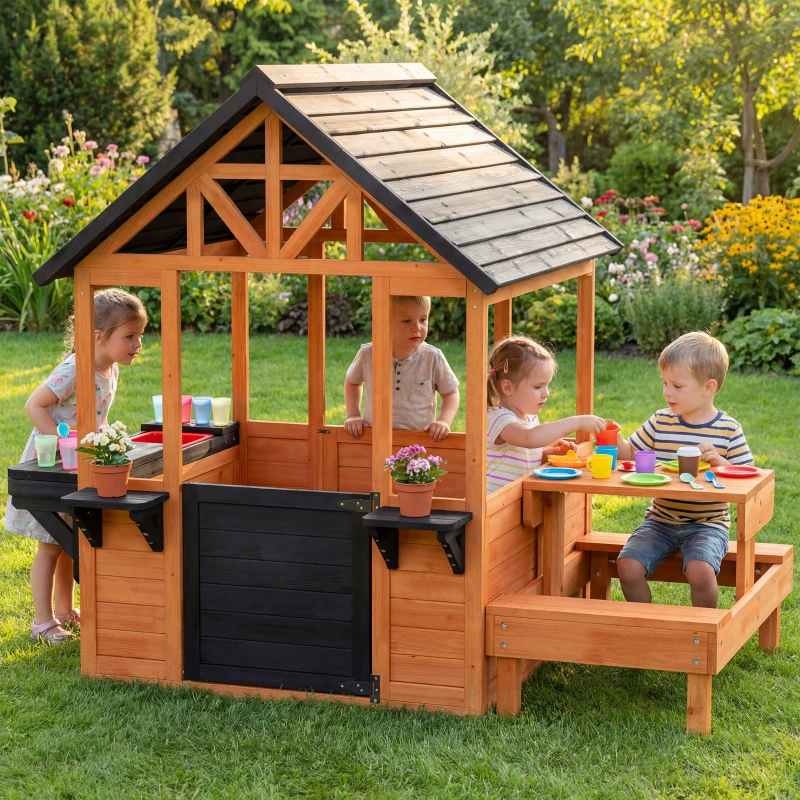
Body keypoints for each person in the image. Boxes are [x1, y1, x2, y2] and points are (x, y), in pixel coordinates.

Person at [4, 289, 147, 644]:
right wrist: (66, 442)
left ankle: (66, 611)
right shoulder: (75, 368)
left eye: (139, 336)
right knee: (50, 543)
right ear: (99, 337)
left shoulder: (109, 369)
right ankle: (42, 621)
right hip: (52, 463)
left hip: (80, 464)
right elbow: (34, 405)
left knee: (71, 538)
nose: (138, 344)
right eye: (129, 336)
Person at [616, 332, 754, 608]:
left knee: (700, 572)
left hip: (708, 524)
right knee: (628, 566)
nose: (667, 392)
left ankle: (702, 633)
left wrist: (720, 463)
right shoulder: (660, 421)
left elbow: (748, 478)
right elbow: (630, 454)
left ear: (708, 387)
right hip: (660, 519)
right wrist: (613, 437)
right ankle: (646, 625)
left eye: (677, 385)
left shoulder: (728, 429)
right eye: (665, 383)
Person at [486, 335, 607, 494]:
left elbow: (526, 456)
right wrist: (576, 422)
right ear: (508, 387)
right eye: (538, 387)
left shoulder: (529, 417)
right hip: (495, 507)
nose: (546, 393)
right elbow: (529, 438)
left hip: (516, 501)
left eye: (547, 385)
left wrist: (551, 454)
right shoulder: (499, 418)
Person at [344, 295, 460, 442]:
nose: (417, 327)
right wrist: (353, 415)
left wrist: (444, 421)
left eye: (423, 319)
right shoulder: (368, 354)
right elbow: (352, 382)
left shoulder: (433, 357)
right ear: (384, 322)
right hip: (375, 440)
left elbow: (451, 393)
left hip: (419, 444)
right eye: (406, 321)